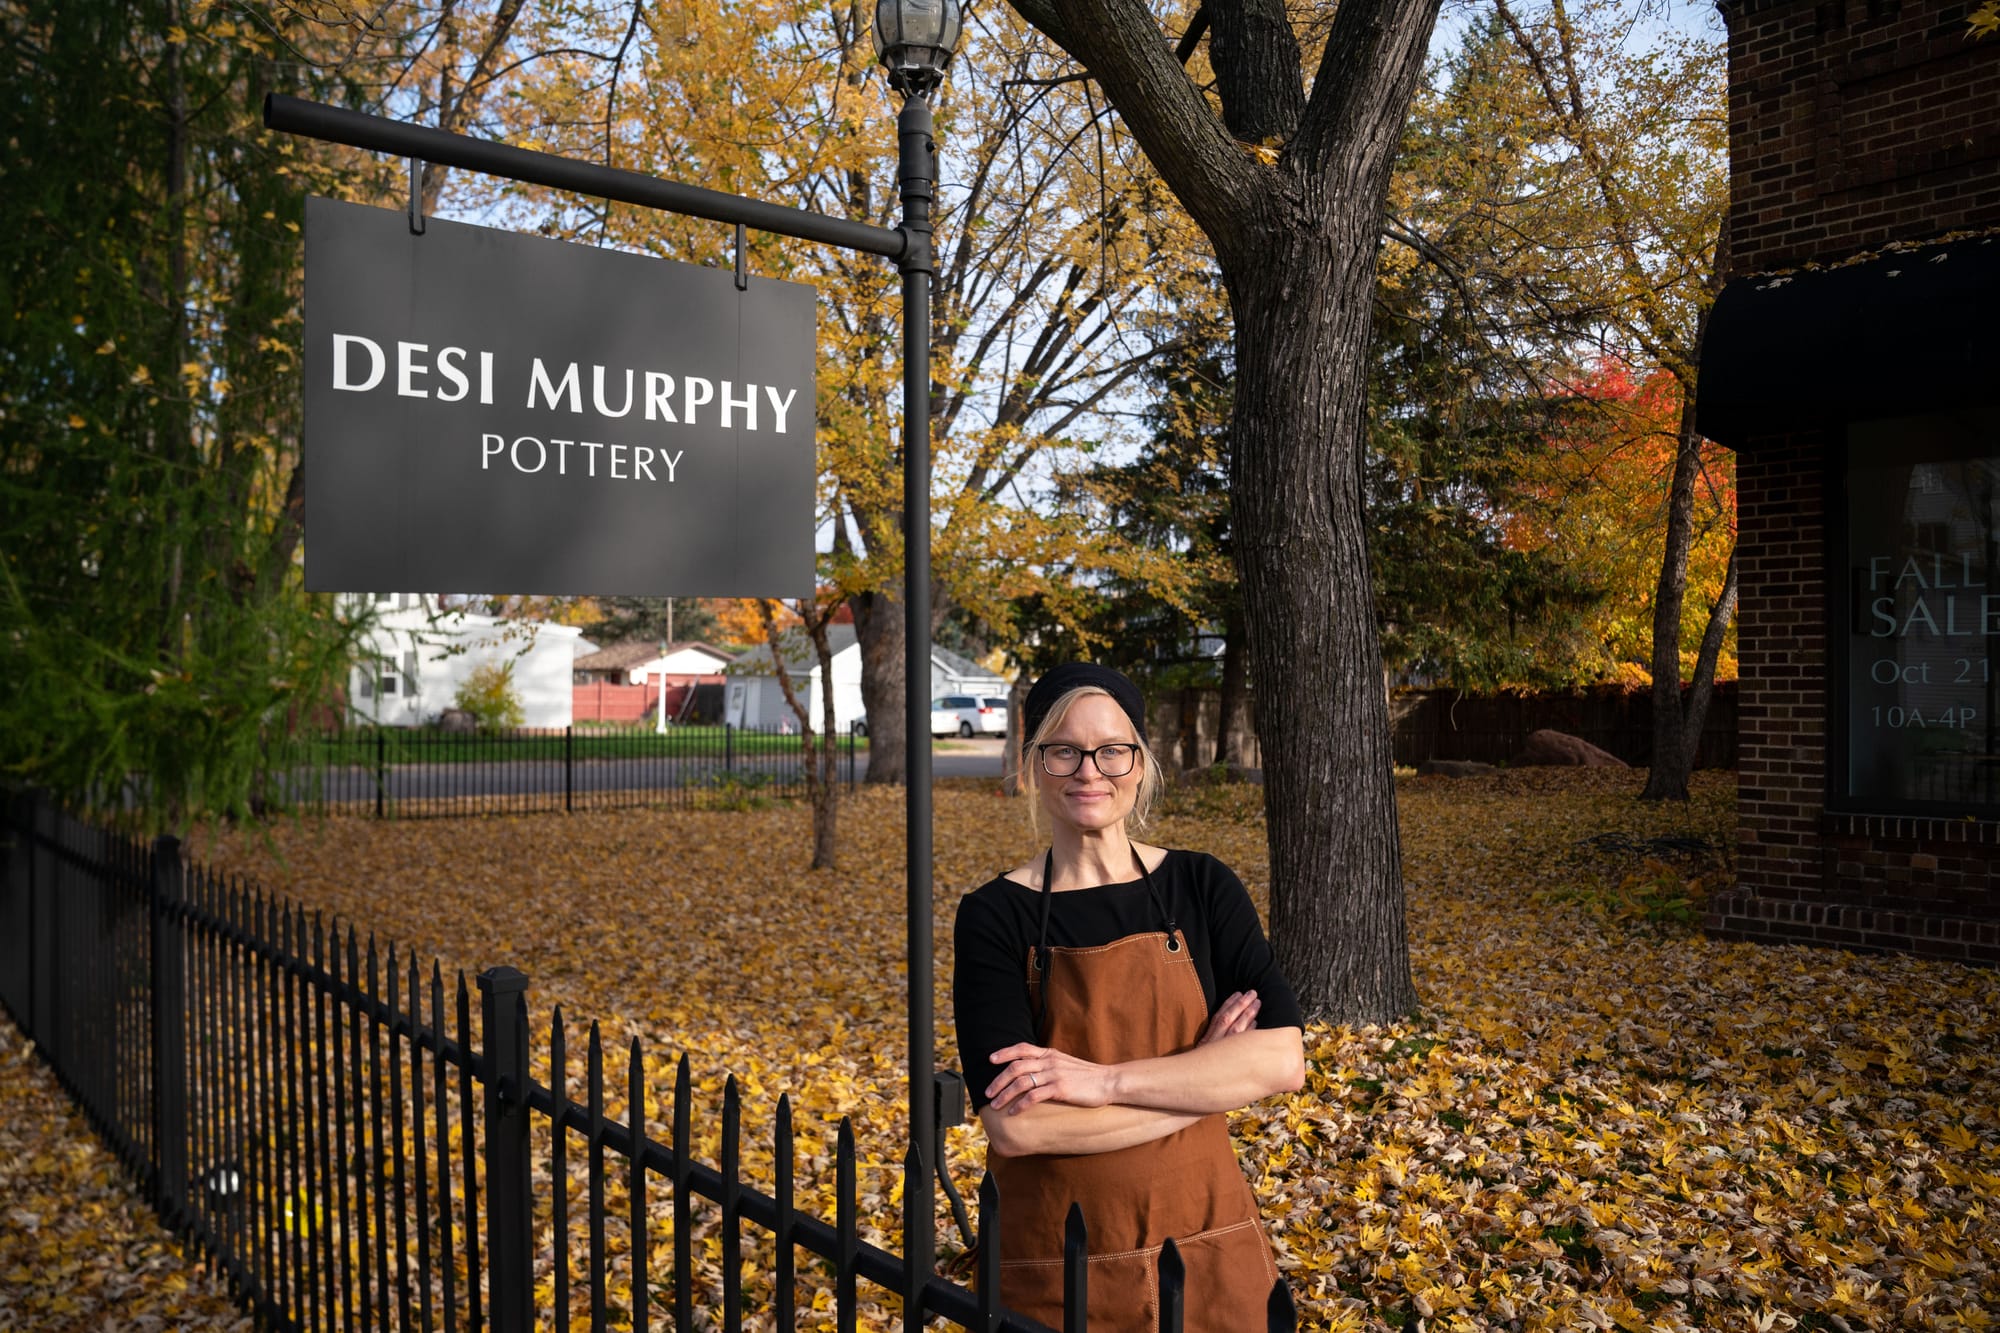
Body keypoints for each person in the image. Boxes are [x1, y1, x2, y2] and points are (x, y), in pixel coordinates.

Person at [952, 663, 1306, 1330]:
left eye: (1113, 749)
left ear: (1140, 762)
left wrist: (1101, 1080)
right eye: (1064, 749)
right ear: (1033, 766)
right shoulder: (995, 915)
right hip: (1059, 1269)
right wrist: (1202, 1081)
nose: (1091, 770)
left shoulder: (1201, 887)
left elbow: (1283, 1059)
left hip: (1207, 1249)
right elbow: (1018, 1124)